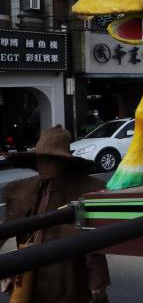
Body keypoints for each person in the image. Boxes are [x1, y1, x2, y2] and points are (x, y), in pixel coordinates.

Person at [1, 126, 110, 303]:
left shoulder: (82, 190)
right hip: (31, 278)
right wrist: (11, 268)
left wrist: (97, 282)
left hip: (67, 278)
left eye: (49, 159)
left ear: (62, 162)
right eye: (40, 159)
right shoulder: (27, 189)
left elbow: (93, 242)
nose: (42, 164)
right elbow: (9, 228)